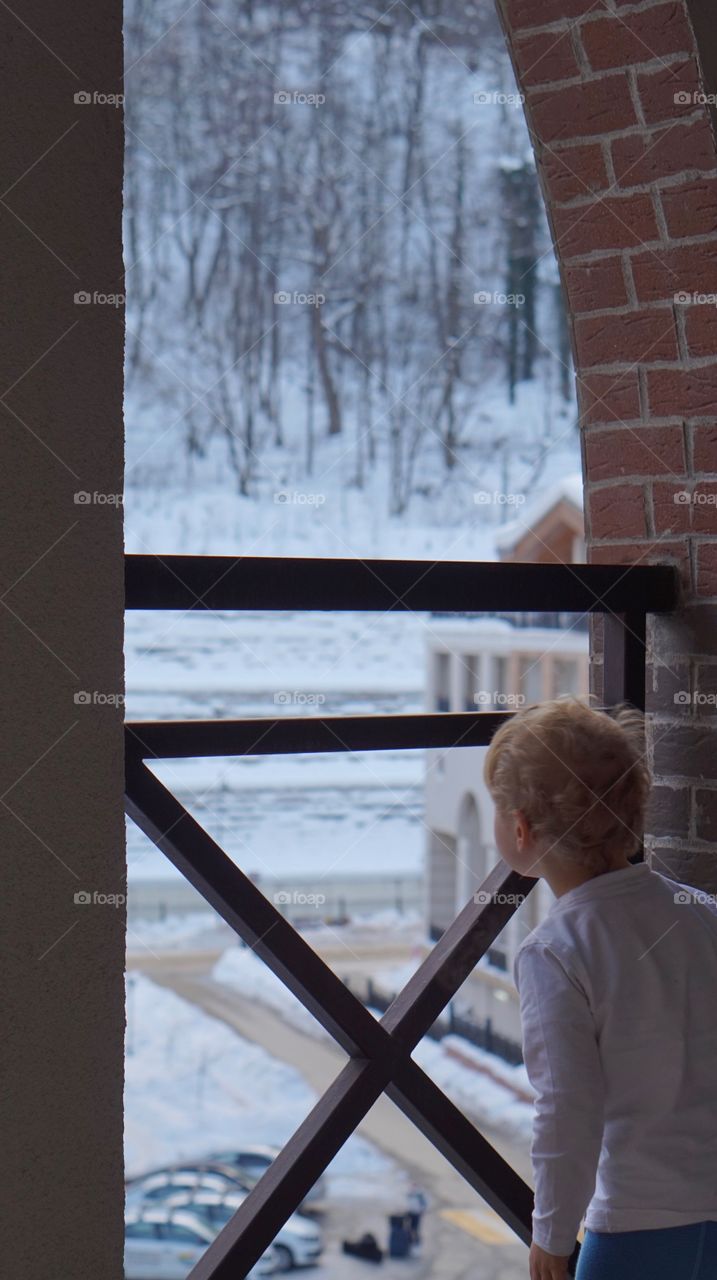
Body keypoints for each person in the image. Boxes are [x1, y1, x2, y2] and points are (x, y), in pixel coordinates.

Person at [483, 696, 717, 1280]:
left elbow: (566, 1110)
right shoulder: (702, 912)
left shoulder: (554, 951)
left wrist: (552, 1236)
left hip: (639, 1228)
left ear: (520, 829)